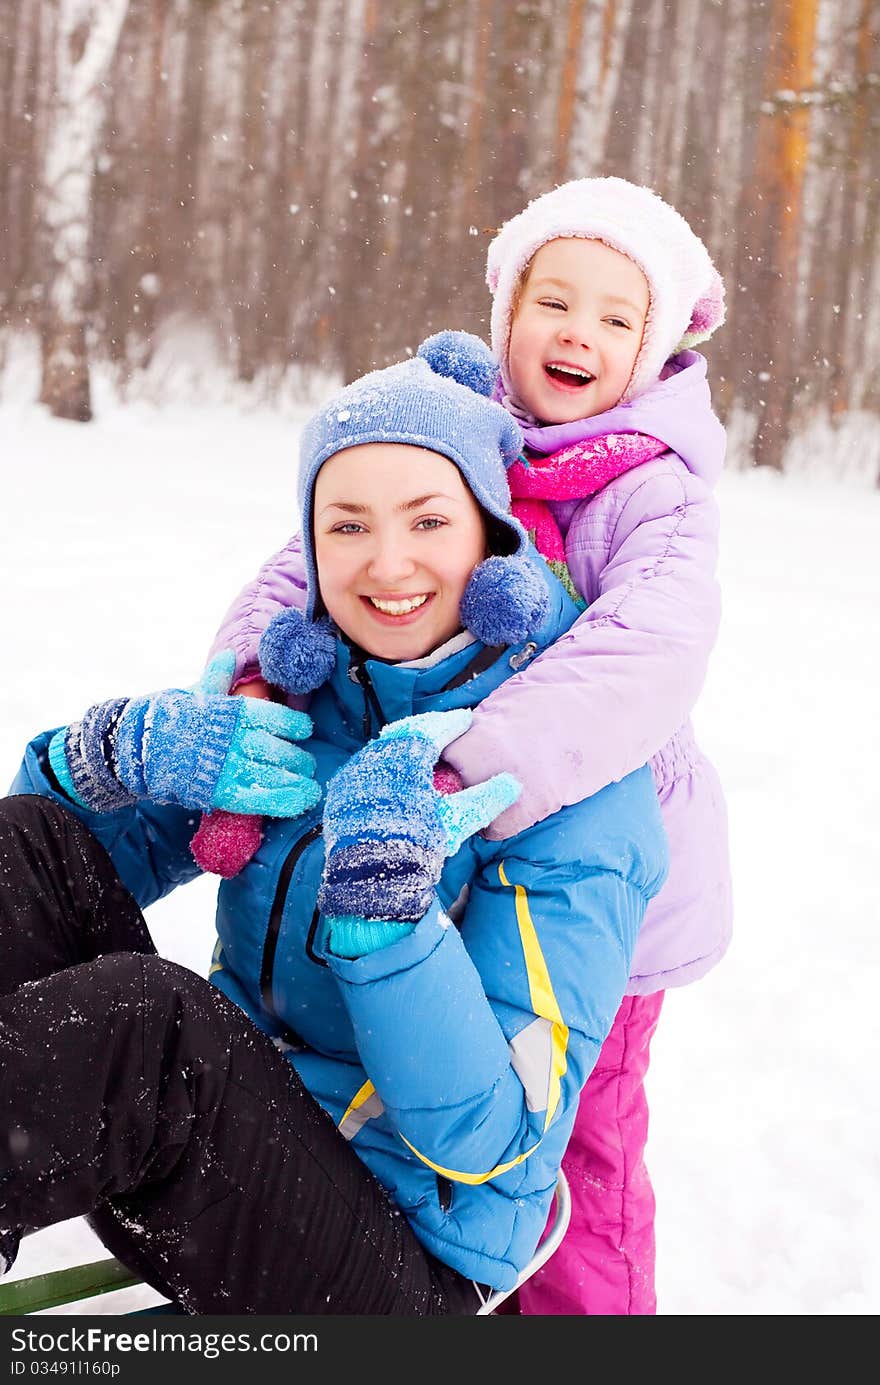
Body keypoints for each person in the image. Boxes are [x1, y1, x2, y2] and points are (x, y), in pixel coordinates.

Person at [0, 333, 668, 1316]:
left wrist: (386, 923)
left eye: (428, 520)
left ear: (490, 540)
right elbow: (41, 884)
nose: (386, 563)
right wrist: (101, 759)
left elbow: (490, 1136)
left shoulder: (565, 777)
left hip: (407, 1253)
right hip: (231, 1161)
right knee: (32, 842)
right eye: (346, 524)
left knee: (151, 1027)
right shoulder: (305, 697)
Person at [195, 176, 732, 1316]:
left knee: (572, 1145)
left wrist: (461, 773)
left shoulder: (652, 492)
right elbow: (301, 560)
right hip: (429, 845)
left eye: (613, 314)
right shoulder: (451, 426)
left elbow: (645, 651)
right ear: (505, 311)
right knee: (417, 1090)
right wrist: (251, 680)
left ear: (655, 344)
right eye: (553, 298)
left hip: (596, 879)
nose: (576, 331)